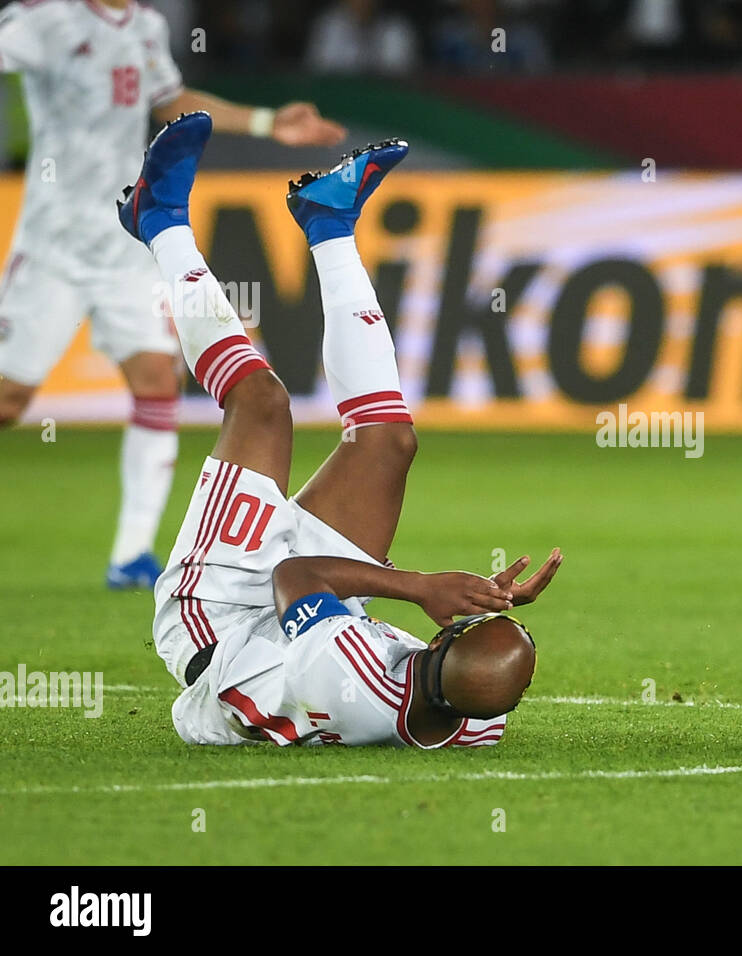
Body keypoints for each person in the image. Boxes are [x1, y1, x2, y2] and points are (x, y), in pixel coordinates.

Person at [119, 111, 562, 747]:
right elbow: (475, 685)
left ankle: (157, 218)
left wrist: (421, 587)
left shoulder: (344, 671)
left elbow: (292, 581)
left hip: (219, 622)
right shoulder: (471, 717)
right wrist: (480, 601)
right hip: (310, 623)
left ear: (443, 638)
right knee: (388, 444)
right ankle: (328, 220)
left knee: (262, 402)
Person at [0, 0, 345, 589]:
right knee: (9, 401)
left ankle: (132, 555)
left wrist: (267, 124)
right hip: (52, 247)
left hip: (125, 239)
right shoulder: (45, 17)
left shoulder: (145, 24)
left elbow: (168, 102)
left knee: (158, 381)